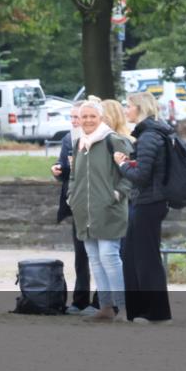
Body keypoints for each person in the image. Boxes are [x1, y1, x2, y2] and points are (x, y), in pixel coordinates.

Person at [67, 100, 133, 323]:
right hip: (84, 212)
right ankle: (105, 307)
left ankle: (123, 309)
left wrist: (116, 195)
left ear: (101, 118)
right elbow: (74, 176)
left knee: (109, 257)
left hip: (109, 211)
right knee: (94, 259)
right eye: (83, 116)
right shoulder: (78, 144)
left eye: (92, 116)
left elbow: (131, 173)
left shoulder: (114, 141)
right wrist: (71, 197)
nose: (87, 120)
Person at [114, 91, 174, 324]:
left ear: (139, 108)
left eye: (128, 106)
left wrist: (122, 165)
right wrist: (130, 163)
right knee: (132, 255)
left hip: (149, 202)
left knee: (146, 258)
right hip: (146, 201)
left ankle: (156, 313)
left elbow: (141, 176)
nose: (125, 110)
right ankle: (139, 310)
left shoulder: (149, 136)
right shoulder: (151, 134)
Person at [51, 101, 99, 314]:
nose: (73, 121)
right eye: (71, 117)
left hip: (98, 203)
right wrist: (58, 170)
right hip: (76, 203)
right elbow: (64, 170)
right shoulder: (68, 139)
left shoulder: (102, 139)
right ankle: (80, 299)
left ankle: (101, 300)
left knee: (101, 254)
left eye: (76, 117)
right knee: (81, 255)